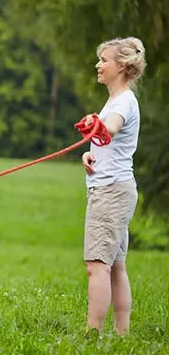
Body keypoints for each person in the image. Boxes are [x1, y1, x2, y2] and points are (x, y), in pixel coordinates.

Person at [80, 37, 146, 336]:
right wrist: (89, 153)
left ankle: (93, 334)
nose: (98, 64)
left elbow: (113, 127)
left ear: (121, 66)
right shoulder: (115, 100)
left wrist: (99, 126)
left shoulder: (122, 103)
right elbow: (108, 143)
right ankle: (122, 334)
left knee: (97, 265)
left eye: (104, 60)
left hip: (110, 192)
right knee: (115, 265)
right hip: (116, 187)